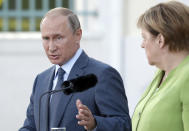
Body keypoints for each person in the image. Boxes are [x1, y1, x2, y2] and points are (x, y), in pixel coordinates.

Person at [19, 7, 131, 131]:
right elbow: (30, 127)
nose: (51, 47)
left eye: (58, 38)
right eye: (46, 38)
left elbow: (124, 125)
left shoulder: (102, 75)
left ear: (78, 35)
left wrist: (94, 124)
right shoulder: (41, 80)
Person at [132, 1, 189, 131]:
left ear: (160, 40)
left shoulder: (187, 77)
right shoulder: (161, 73)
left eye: (144, 38)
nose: (142, 45)